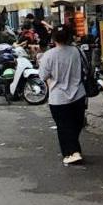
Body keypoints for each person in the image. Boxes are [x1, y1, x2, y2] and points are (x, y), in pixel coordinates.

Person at [38, 24, 87, 165]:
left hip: (58, 98)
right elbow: (86, 69)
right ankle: (74, 151)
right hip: (78, 95)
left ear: (53, 38)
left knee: (63, 126)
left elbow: (43, 76)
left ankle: (71, 152)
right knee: (76, 124)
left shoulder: (48, 55)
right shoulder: (77, 52)